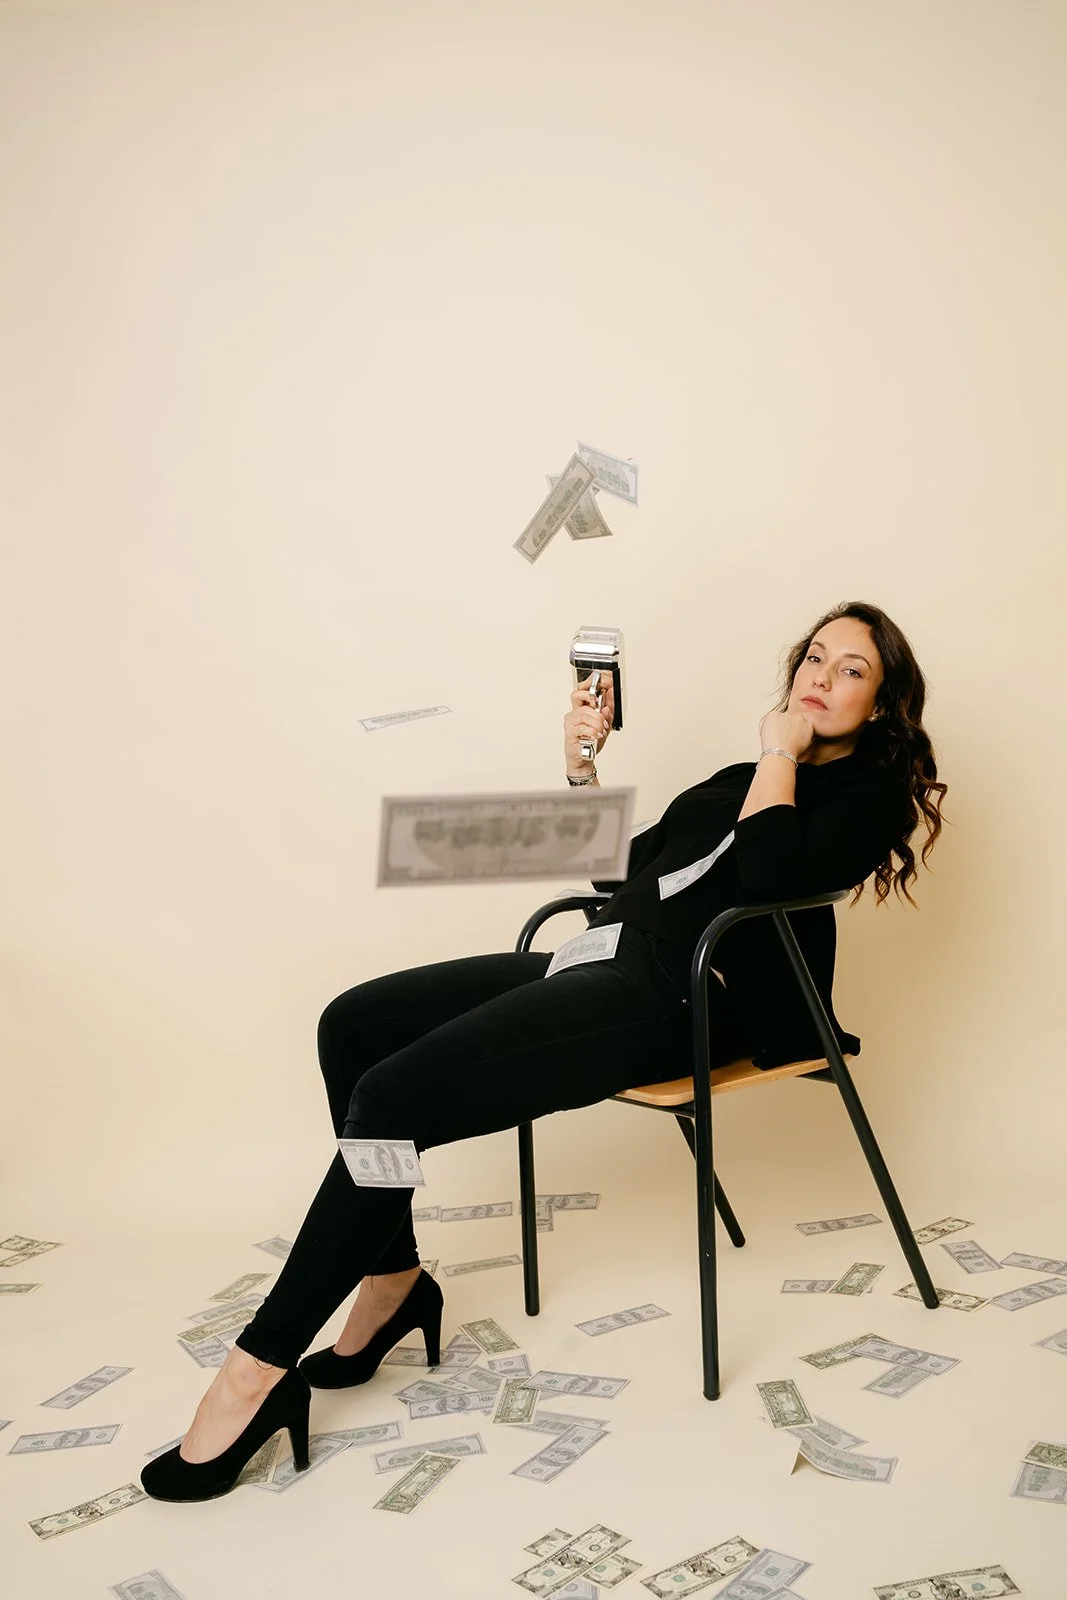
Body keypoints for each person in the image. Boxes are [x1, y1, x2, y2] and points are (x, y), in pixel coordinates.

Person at [141, 600, 947, 1502]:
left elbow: (762, 876)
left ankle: (254, 1373)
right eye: (813, 658)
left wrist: (779, 754)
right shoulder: (740, 774)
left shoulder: (860, 795)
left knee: (393, 1099)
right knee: (352, 1026)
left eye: (849, 670)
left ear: (880, 703)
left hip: (681, 998)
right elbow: (619, 872)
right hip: (602, 955)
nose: (820, 678)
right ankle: (394, 1279)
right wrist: (581, 766)